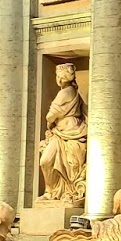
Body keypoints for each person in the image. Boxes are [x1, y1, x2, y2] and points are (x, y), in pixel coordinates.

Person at [37, 63, 88, 205]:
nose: (58, 79)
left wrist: (50, 121)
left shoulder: (65, 93)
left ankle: (56, 191)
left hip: (70, 131)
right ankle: (51, 191)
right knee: (47, 161)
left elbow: (51, 115)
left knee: (58, 163)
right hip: (61, 132)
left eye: (59, 76)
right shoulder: (74, 93)